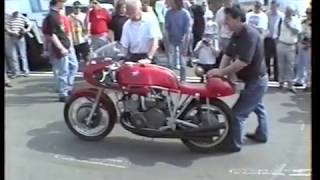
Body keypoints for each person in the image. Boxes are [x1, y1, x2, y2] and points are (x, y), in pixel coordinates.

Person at [208, 6, 268, 152]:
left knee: (237, 115)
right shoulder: (236, 34)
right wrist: (221, 73)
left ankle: (233, 144)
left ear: (237, 19)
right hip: (252, 80)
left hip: (256, 81)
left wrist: (222, 72)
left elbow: (243, 62)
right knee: (258, 108)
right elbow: (227, 55)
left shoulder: (249, 35)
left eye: (227, 19)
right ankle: (262, 134)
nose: (224, 22)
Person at [43, 0, 79, 102]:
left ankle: (68, 87)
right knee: (63, 70)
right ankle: (63, 93)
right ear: (57, 2)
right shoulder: (51, 16)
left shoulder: (58, 15)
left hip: (67, 45)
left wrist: (70, 45)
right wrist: (61, 48)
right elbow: (52, 34)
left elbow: (65, 32)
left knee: (74, 66)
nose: (63, 4)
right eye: (62, 2)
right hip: (61, 47)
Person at [277, 6, 302, 93]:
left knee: (290, 65)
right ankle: (281, 82)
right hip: (281, 44)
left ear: (292, 12)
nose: (287, 13)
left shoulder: (296, 20)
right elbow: (277, 31)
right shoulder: (281, 20)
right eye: (287, 11)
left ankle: (290, 84)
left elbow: (298, 32)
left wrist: (289, 25)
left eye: (289, 11)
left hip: (291, 45)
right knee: (281, 64)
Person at [165, 0, 191, 82]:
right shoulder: (168, 13)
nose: (170, 4)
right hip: (172, 38)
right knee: (170, 60)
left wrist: (185, 37)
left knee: (182, 59)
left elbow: (188, 28)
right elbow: (167, 26)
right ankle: (170, 78)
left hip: (183, 39)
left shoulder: (185, 13)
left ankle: (183, 79)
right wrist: (167, 36)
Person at [5, 11, 33, 78]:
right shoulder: (8, 16)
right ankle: (16, 72)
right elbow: (6, 27)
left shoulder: (21, 16)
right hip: (11, 37)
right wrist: (12, 32)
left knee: (23, 55)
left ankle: (25, 71)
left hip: (20, 36)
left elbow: (30, 23)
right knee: (13, 56)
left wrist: (27, 30)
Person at [264, 0, 284, 81]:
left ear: (277, 6)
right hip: (267, 39)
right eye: (271, 6)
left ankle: (276, 77)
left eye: (274, 6)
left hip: (277, 39)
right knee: (267, 58)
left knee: (276, 59)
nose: (272, 8)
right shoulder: (266, 14)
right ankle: (267, 75)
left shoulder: (281, 15)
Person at [294, 7, 311, 91]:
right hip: (302, 43)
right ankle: (299, 80)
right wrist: (298, 43)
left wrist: (309, 44)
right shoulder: (303, 22)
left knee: (308, 66)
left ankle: (308, 84)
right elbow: (300, 33)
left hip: (309, 45)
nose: (308, 14)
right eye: (307, 13)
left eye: (310, 13)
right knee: (300, 63)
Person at [215, 0, 234, 66]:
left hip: (232, 37)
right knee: (224, 57)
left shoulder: (234, 11)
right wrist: (218, 39)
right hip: (223, 37)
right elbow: (218, 26)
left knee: (232, 58)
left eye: (230, 1)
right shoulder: (220, 12)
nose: (228, 2)